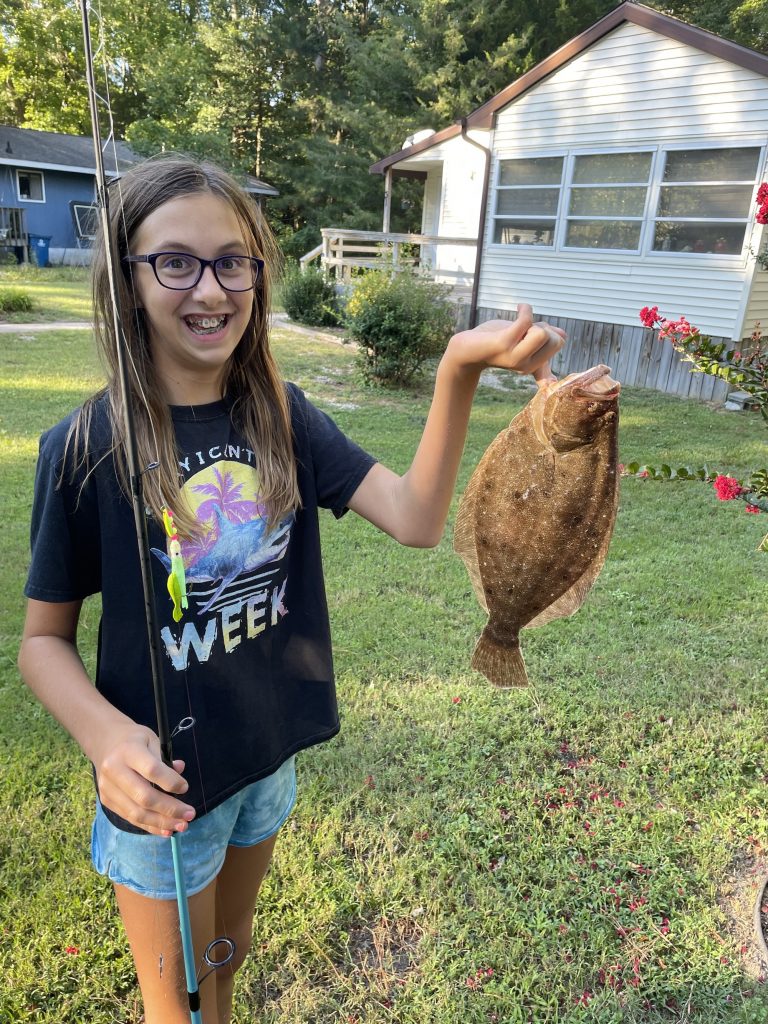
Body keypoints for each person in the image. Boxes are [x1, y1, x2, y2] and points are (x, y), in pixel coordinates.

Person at [17, 155, 564, 1024]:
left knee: (226, 961)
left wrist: (458, 369)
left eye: (232, 261)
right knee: (174, 1004)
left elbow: (417, 518)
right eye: (175, 262)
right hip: (162, 793)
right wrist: (104, 737)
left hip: (264, 762)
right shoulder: (83, 446)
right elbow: (42, 642)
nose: (210, 289)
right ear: (127, 278)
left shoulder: (284, 412)